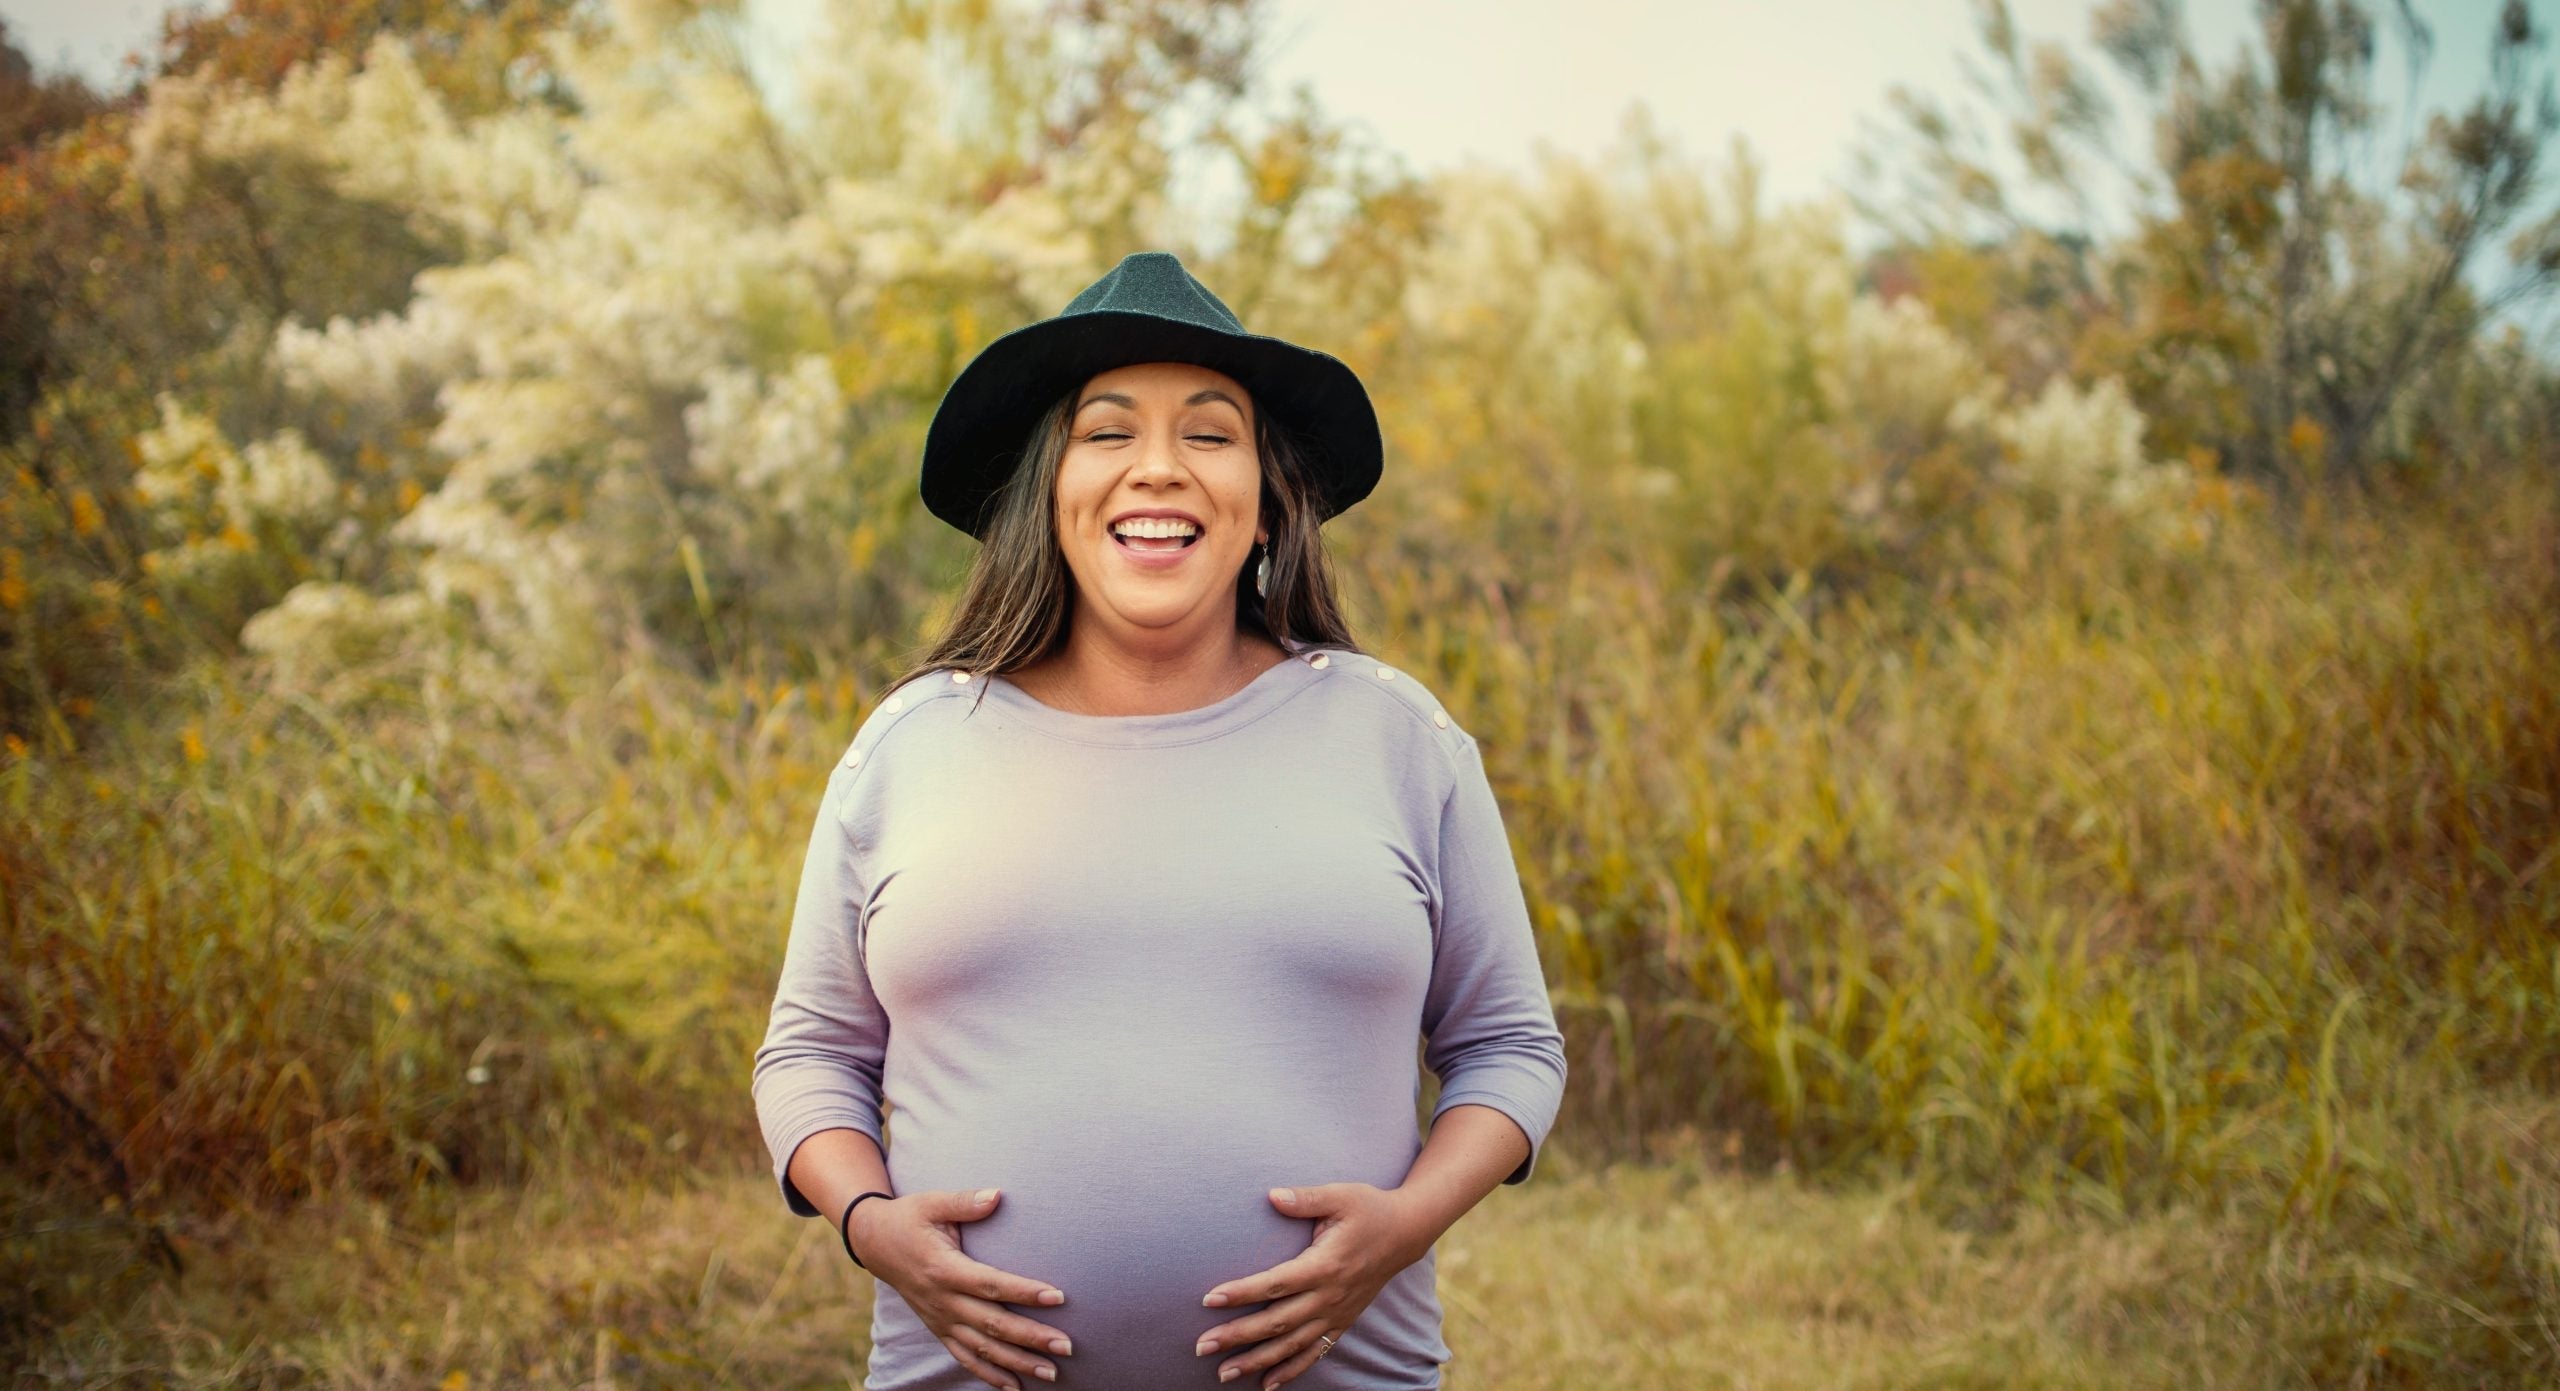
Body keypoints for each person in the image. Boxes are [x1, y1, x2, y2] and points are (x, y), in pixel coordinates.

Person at [751, 251, 1567, 1391]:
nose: (1159, 467)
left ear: (1269, 501)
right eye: (1108, 431)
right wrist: (867, 1220)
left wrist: (1407, 1220)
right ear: (1047, 492)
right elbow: (810, 1055)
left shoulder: (1395, 736)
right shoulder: (912, 745)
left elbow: (1510, 1046)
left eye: (1210, 432)